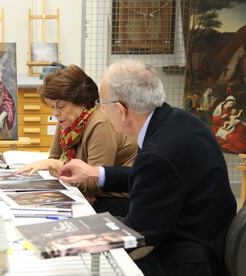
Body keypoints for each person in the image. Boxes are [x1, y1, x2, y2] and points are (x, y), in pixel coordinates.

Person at [59, 60, 237, 276]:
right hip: (207, 238)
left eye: (102, 104)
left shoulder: (158, 153)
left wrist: (70, 241)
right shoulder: (181, 121)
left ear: (121, 110)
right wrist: (95, 172)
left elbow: (137, 236)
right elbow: (153, 179)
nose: (101, 112)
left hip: (188, 260)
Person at [17, 65, 137, 216]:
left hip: (114, 199)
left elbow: (95, 183)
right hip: (85, 192)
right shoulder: (68, 122)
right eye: (52, 106)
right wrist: (56, 165)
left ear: (81, 102)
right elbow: (53, 158)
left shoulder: (100, 124)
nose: (55, 113)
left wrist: (58, 166)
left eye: (61, 106)